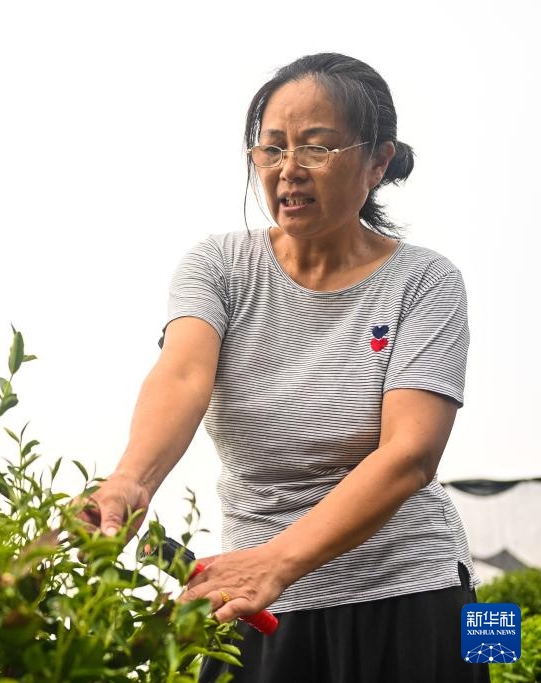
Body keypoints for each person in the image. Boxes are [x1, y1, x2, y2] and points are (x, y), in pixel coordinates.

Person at [77, 53, 488, 682]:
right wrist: (132, 479)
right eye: (270, 149)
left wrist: (278, 561)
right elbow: (183, 375)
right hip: (255, 598)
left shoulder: (427, 281)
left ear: (377, 162)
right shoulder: (219, 265)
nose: (287, 169)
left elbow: (410, 454)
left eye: (316, 148)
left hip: (411, 593)